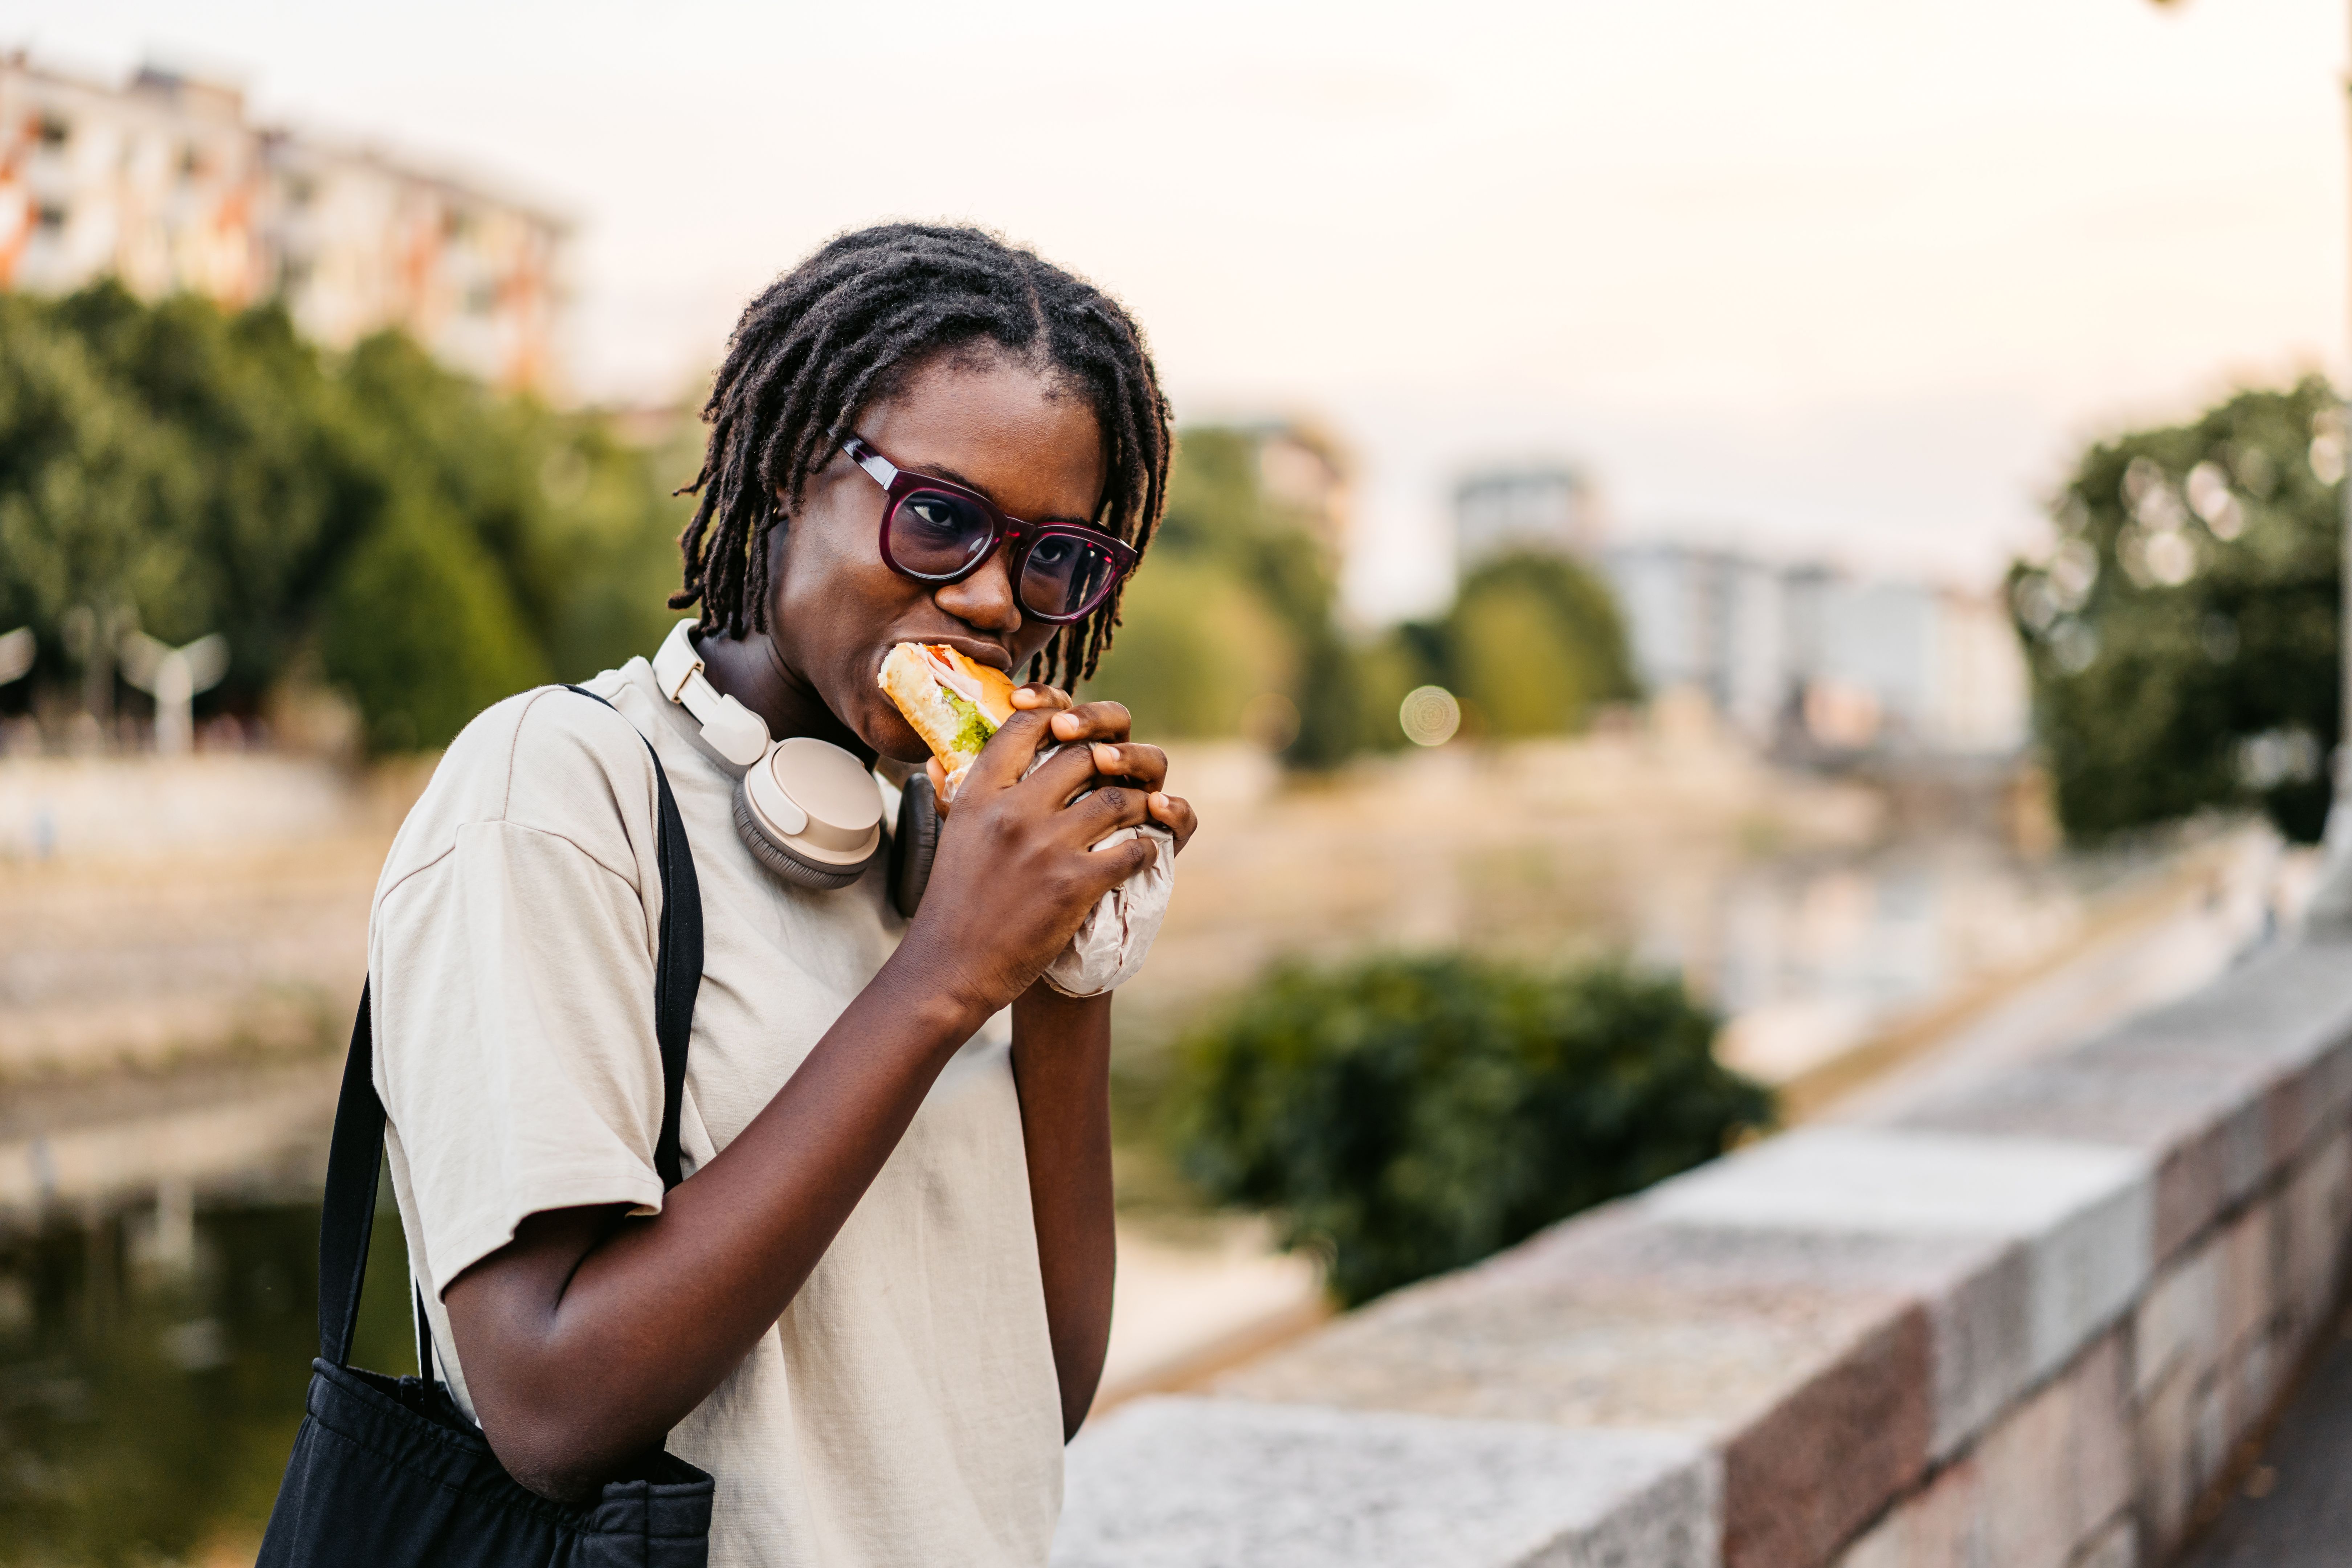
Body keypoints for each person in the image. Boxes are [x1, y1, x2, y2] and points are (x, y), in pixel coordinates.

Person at [365, 223, 1196, 1567]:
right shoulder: (561, 788)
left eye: (1054, 558)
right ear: (794, 470)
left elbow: (1040, 1388)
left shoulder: (963, 840)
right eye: (938, 518)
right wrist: (943, 978)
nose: (992, 601)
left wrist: (1067, 970)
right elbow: (550, 1405)